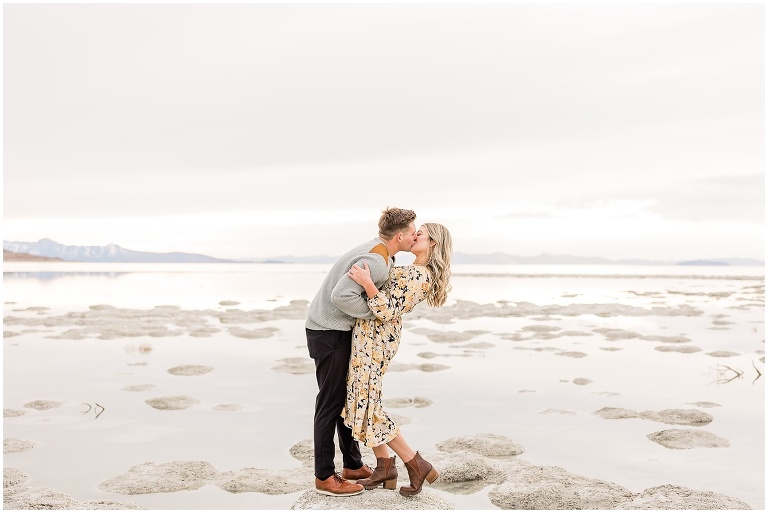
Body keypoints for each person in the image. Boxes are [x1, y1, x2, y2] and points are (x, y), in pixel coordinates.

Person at [305, 207, 418, 497]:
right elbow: (340, 296)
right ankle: (323, 477)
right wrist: (372, 314)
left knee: (343, 398)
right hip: (328, 332)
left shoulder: (380, 251)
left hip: (330, 330)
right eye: (413, 231)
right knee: (329, 404)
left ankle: (353, 465)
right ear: (401, 235)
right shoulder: (377, 261)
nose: (415, 235)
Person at [342, 223, 453, 497]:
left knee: (369, 404)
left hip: (377, 341)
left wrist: (367, 284)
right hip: (369, 337)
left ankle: (416, 464)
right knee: (362, 400)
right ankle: (384, 466)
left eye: (421, 234)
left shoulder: (420, 275)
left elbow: (388, 310)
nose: (415, 236)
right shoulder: (412, 268)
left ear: (434, 244)